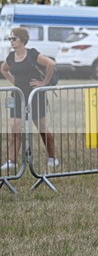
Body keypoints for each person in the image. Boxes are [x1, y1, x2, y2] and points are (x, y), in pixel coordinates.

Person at [0, 27, 58, 170]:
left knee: (43, 129)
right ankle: (11, 161)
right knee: (15, 129)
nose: (11, 42)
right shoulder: (10, 57)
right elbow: (3, 69)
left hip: (35, 97)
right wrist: (14, 82)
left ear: (22, 40)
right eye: (10, 39)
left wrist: (44, 83)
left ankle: (52, 158)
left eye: (14, 39)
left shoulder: (32, 54)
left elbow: (51, 64)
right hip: (16, 97)